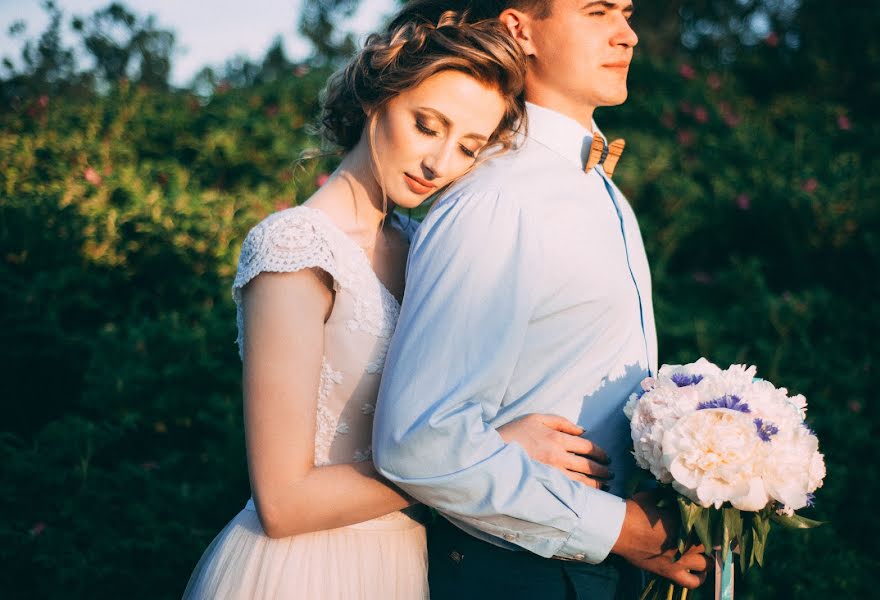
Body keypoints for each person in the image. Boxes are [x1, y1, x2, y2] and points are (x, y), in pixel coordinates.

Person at [183, 10, 615, 600]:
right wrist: (479, 458)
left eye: (468, 147)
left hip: (410, 563)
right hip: (308, 569)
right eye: (426, 125)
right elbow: (282, 503)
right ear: (376, 101)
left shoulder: (421, 247)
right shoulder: (294, 249)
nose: (439, 162)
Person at [373, 1, 714, 599]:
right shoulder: (498, 199)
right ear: (519, 29)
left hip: (597, 568)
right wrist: (620, 530)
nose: (628, 34)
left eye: (627, 13)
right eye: (597, 11)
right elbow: (420, 441)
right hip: (519, 573)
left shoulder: (602, 191)